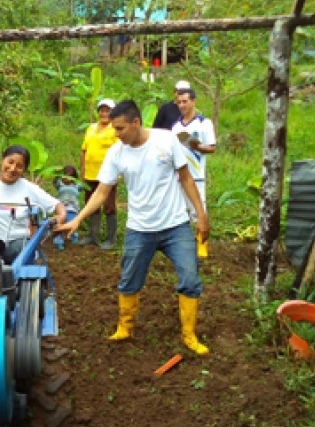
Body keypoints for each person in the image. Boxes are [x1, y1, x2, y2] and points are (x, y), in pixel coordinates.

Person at [56, 100, 211, 355]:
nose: (116, 134)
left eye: (120, 128)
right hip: (139, 229)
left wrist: (201, 216)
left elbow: (186, 178)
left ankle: (189, 335)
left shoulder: (166, 141)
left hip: (176, 226)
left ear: (136, 123)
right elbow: (102, 192)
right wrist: (78, 218)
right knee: (129, 280)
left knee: (191, 279)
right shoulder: (117, 152)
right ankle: (125, 328)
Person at [171, 88, 217, 258]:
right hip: (177, 176)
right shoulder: (175, 127)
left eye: (185, 101)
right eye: (179, 102)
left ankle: (202, 245)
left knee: (199, 210)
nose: (182, 105)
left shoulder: (204, 123)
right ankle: (183, 245)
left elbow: (212, 147)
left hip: (196, 174)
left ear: (193, 101)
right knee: (179, 211)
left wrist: (197, 146)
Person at [80, 98, 119, 249]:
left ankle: (111, 239)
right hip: (90, 173)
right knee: (91, 204)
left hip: (108, 174)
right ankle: (93, 235)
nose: (104, 113)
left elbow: (119, 151)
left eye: (107, 110)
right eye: (102, 110)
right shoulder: (91, 128)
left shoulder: (115, 129)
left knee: (109, 205)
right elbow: (84, 150)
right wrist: (82, 169)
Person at [52, 165, 83, 252]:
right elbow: (54, 181)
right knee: (60, 225)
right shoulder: (60, 184)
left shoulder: (76, 185)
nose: (67, 179)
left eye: (70, 177)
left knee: (71, 223)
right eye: (65, 177)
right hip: (61, 210)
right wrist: (57, 173)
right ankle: (58, 241)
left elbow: (85, 186)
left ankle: (73, 236)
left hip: (73, 209)